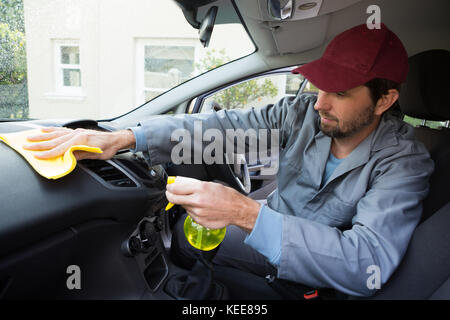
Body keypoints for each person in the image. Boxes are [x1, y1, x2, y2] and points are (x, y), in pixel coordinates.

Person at [23, 23, 434, 297]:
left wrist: (247, 214)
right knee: (179, 244)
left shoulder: (404, 163)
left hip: (310, 280)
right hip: (269, 234)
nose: (320, 102)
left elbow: (365, 264)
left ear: (384, 100)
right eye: (320, 86)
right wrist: (128, 136)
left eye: (340, 93)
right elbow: (226, 125)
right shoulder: (306, 114)